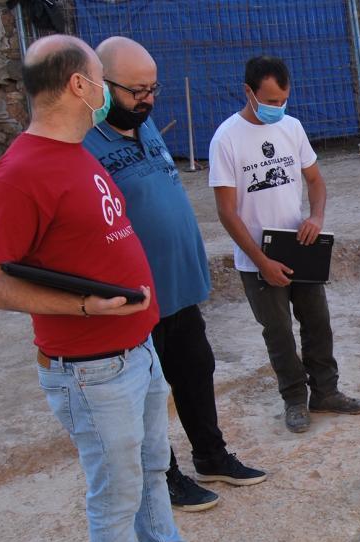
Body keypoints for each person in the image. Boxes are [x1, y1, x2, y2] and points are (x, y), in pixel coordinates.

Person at [0, 35, 240, 542]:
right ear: (79, 86)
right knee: (115, 489)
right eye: (99, 78)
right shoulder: (18, 173)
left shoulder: (77, 153)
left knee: (149, 469)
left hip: (134, 348)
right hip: (90, 368)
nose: (103, 89)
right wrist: (85, 307)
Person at [82, 37, 266, 513]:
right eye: (136, 90)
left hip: (179, 290)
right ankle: (165, 476)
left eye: (153, 88)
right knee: (148, 394)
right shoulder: (84, 143)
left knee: (195, 372)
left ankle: (211, 455)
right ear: (102, 85)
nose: (148, 99)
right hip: (136, 301)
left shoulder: (145, 127)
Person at [208, 55, 360, 433]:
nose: (278, 108)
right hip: (258, 257)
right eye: (270, 101)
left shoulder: (292, 128)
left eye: (283, 100)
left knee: (318, 322)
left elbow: (316, 181)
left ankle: (326, 391)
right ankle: (295, 400)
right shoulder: (225, 140)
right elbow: (227, 213)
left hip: (300, 244)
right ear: (249, 92)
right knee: (278, 332)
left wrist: (316, 218)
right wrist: (262, 262)